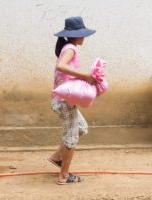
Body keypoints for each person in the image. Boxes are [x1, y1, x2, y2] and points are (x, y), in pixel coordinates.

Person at [48, 16, 98, 185]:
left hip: (62, 99)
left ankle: (57, 157)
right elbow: (61, 66)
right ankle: (64, 176)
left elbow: (65, 72)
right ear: (77, 35)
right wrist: (86, 76)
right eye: (82, 34)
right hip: (64, 101)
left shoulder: (67, 47)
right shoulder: (71, 49)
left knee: (81, 127)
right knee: (71, 138)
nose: (84, 37)